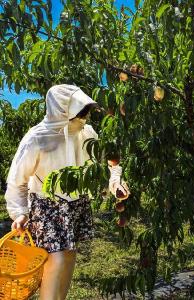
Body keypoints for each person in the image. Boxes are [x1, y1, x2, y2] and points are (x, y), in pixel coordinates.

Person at [4, 84, 129, 300]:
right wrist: (19, 212)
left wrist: (115, 183)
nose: (84, 117)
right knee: (57, 260)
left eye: (85, 111)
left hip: (76, 202)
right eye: (79, 112)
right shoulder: (38, 137)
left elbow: (106, 164)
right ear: (61, 111)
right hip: (47, 205)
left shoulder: (86, 132)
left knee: (69, 256)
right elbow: (17, 180)